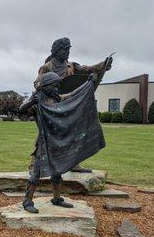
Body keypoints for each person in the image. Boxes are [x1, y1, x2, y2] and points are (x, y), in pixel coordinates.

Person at [20, 71, 106, 213]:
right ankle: (27, 200)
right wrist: (31, 102)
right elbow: (21, 111)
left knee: (57, 172)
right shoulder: (38, 101)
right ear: (46, 86)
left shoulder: (56, 99)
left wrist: (88, 83)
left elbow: (72, 95)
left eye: (58, 86)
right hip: (43, 143)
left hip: (58, 141)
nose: (57, 88)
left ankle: (56, 198)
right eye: (54, 85)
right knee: (36, 173)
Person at [34, 37, 112, 173]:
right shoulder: (47, 67)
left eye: (69, 49)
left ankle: (74, 163)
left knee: (74, 132)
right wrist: (49, 85)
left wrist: (103, 64)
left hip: (69, 105)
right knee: (45, 134)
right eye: (65, 49)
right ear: (57, 51)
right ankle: (35, 164)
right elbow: (37, 83)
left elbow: (88, 69)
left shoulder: (72, 66)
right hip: (52, 105)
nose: (68, 52)